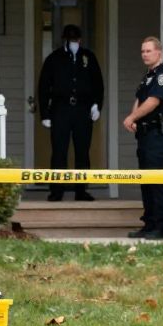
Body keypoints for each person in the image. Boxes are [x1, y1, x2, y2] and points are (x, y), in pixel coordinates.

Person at [37, 24, 104, 201]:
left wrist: (96, 105)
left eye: (75, 39)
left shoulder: (88, 57)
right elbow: (44, 87)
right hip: (61, 109)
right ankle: (56, 191)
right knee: (59, 151)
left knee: (83, 151)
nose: (73, 42)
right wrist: (45, 114)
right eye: (70, 39)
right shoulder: (54, 58)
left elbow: (98, 84)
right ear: (64, 40)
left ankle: (81, 191)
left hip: (83, 109)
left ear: (80, 40)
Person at [123, 36, 163, 239]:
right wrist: (134, 118)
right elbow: (140, 99)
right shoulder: (147, 77)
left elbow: (153, 102)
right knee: (145, 180)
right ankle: (149, 224)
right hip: (145, 134)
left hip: (157, 135)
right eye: (143, 51)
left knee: (156, 179)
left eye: (148, 51)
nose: (145, 54)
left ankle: (162, 226)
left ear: (158, 52)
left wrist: (132, 117)